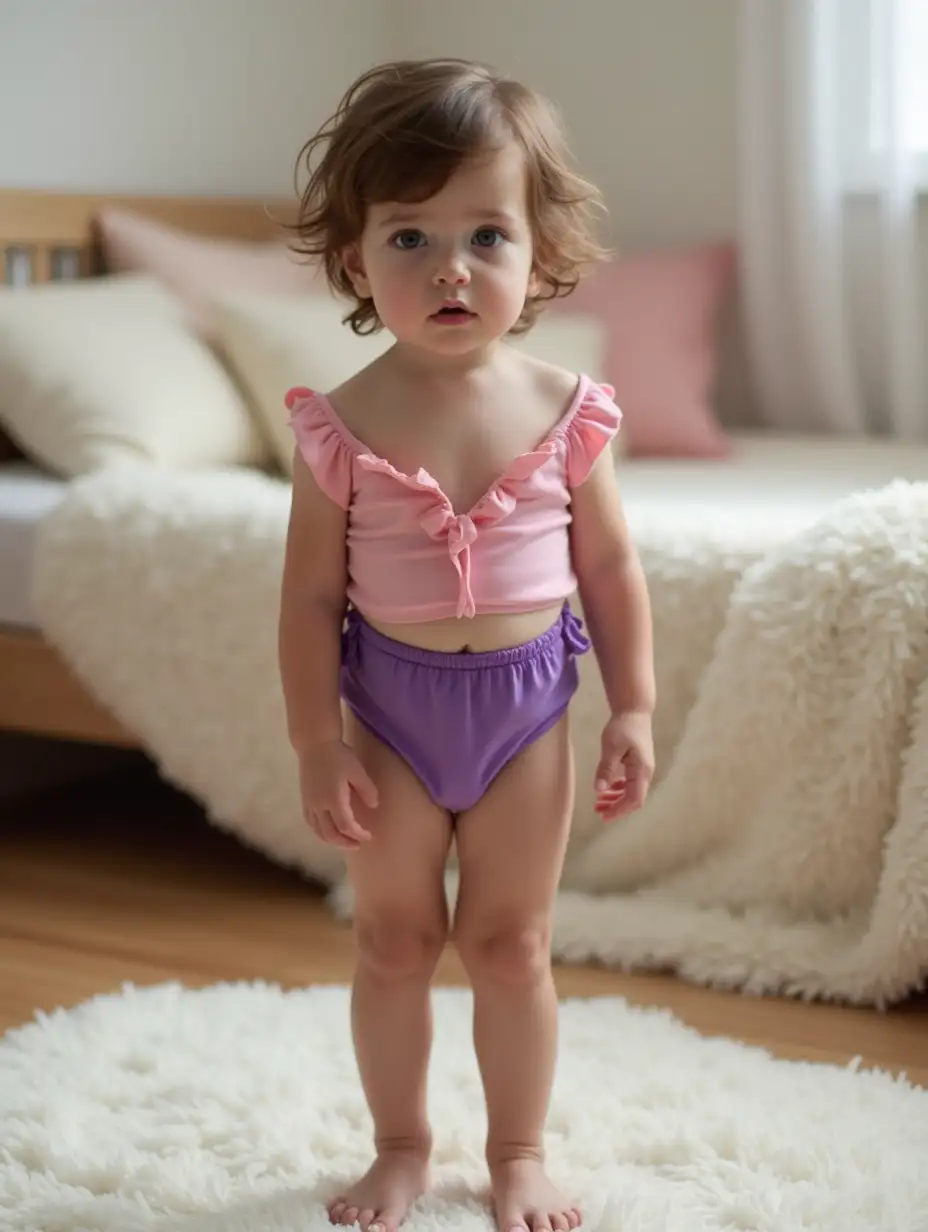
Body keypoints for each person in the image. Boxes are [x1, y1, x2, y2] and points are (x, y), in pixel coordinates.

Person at [278, 57, 655, 1232]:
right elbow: (303, 600)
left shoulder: (563, 408)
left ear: (538, 255)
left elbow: (609, 569)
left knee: (510, 940)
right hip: (387, 715)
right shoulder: (340, 424)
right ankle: (399, 1143)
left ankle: (519, 1151)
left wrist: (634, 706)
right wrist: (313, 740)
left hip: (525, 709)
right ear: (355, 260)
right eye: (409, 238)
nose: (451, 268)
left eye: (486, 235)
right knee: (395, 938)